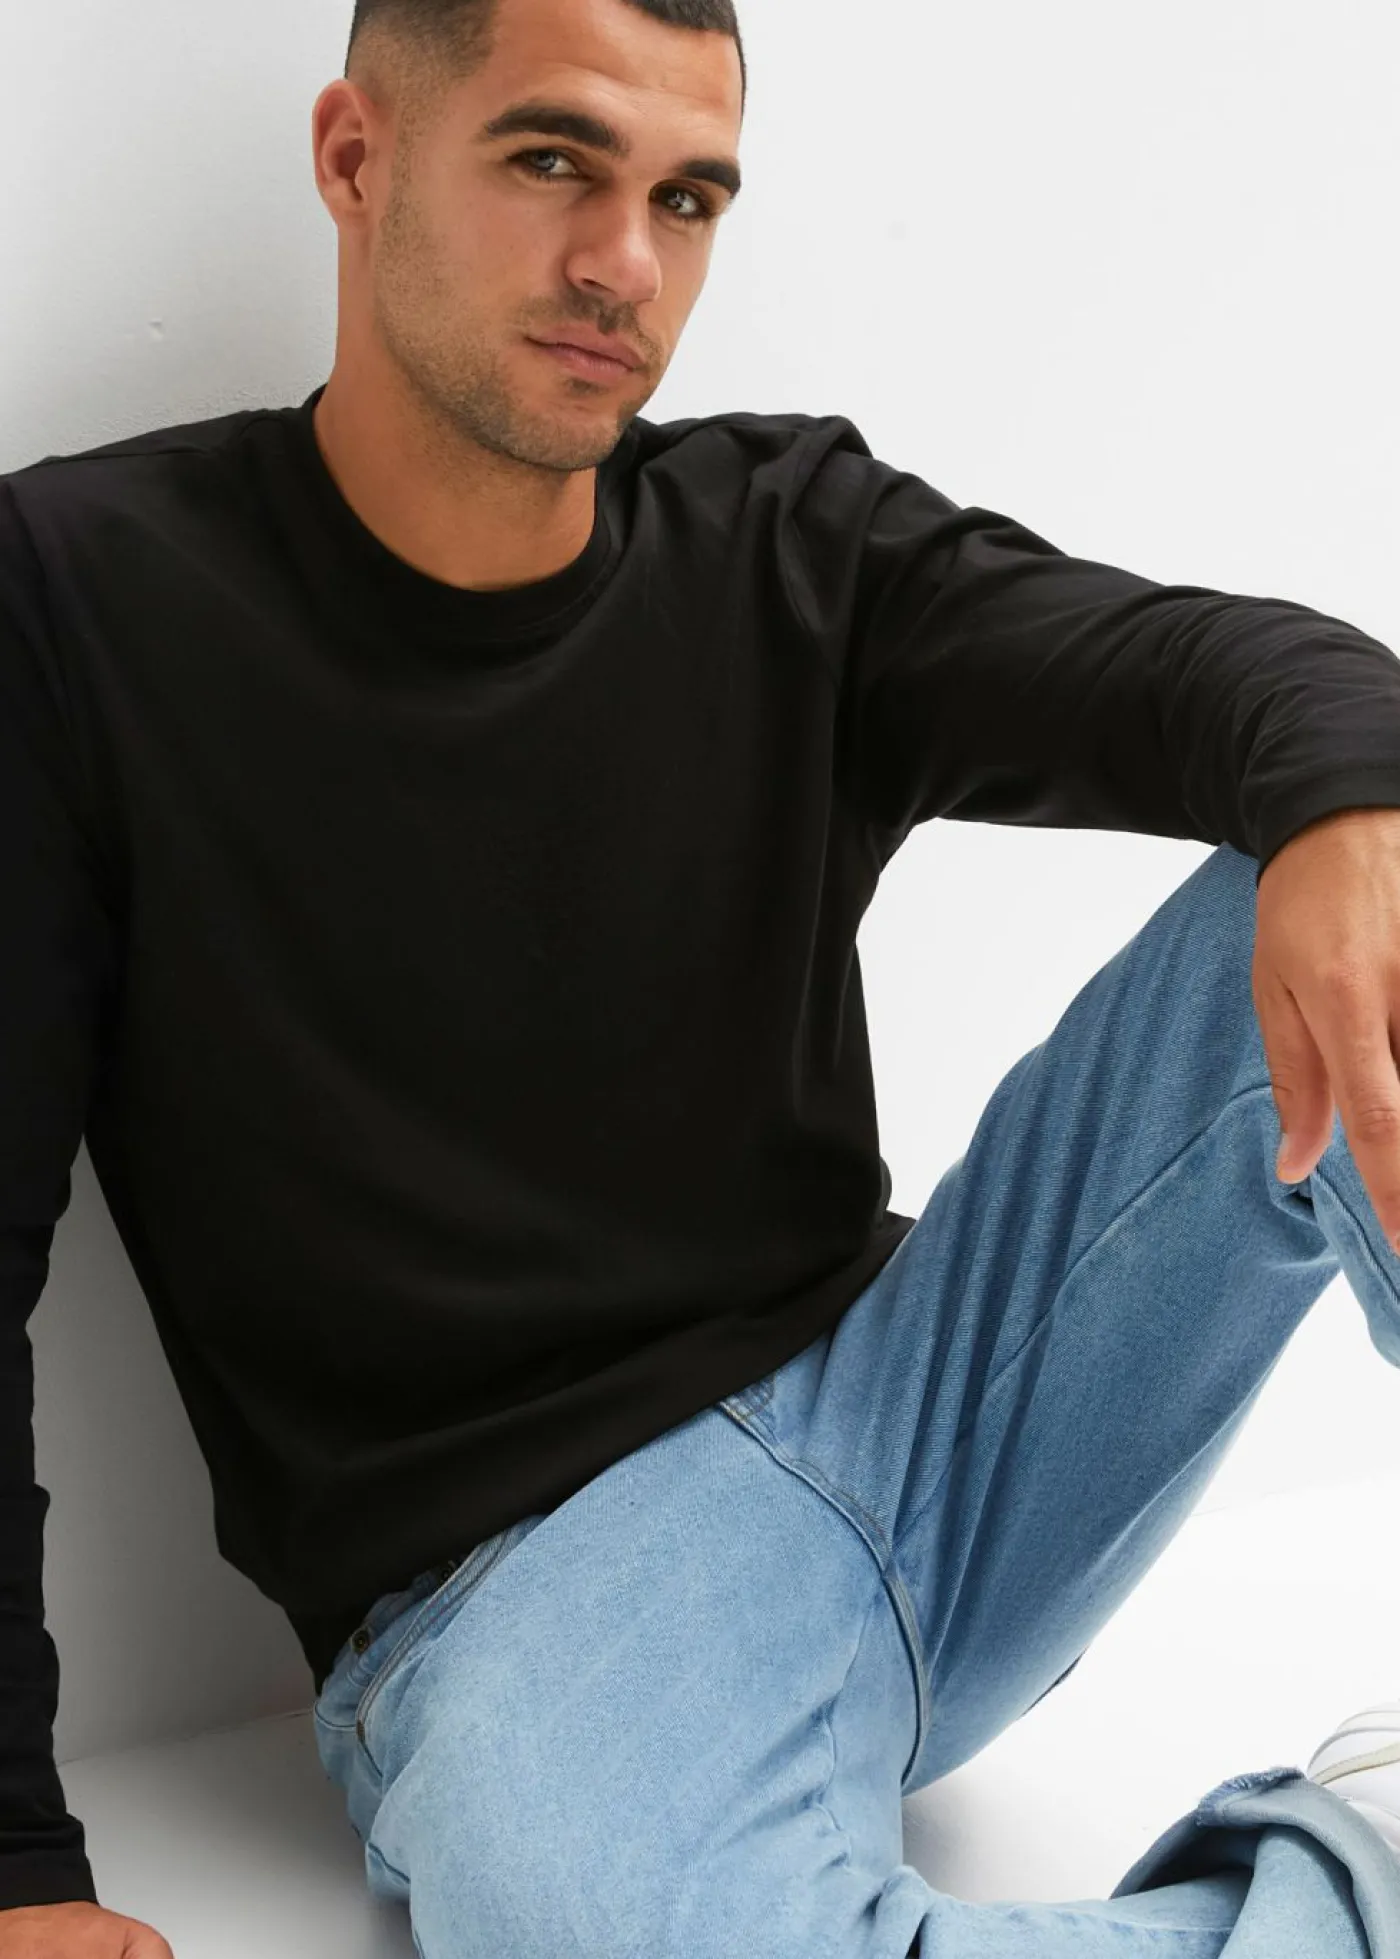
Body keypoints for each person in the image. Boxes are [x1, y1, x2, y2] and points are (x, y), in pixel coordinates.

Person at [3, 0, 1400, 1952]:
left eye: (686, 198)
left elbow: (1224, 676)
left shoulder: (788, 544)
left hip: (939, 1422)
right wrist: (12, 1865)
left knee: (1365, 845)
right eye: (552, 162)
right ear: (355, 157)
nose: (625, 266)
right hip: (534, 1598)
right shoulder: (80, 601)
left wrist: (1349, 807)